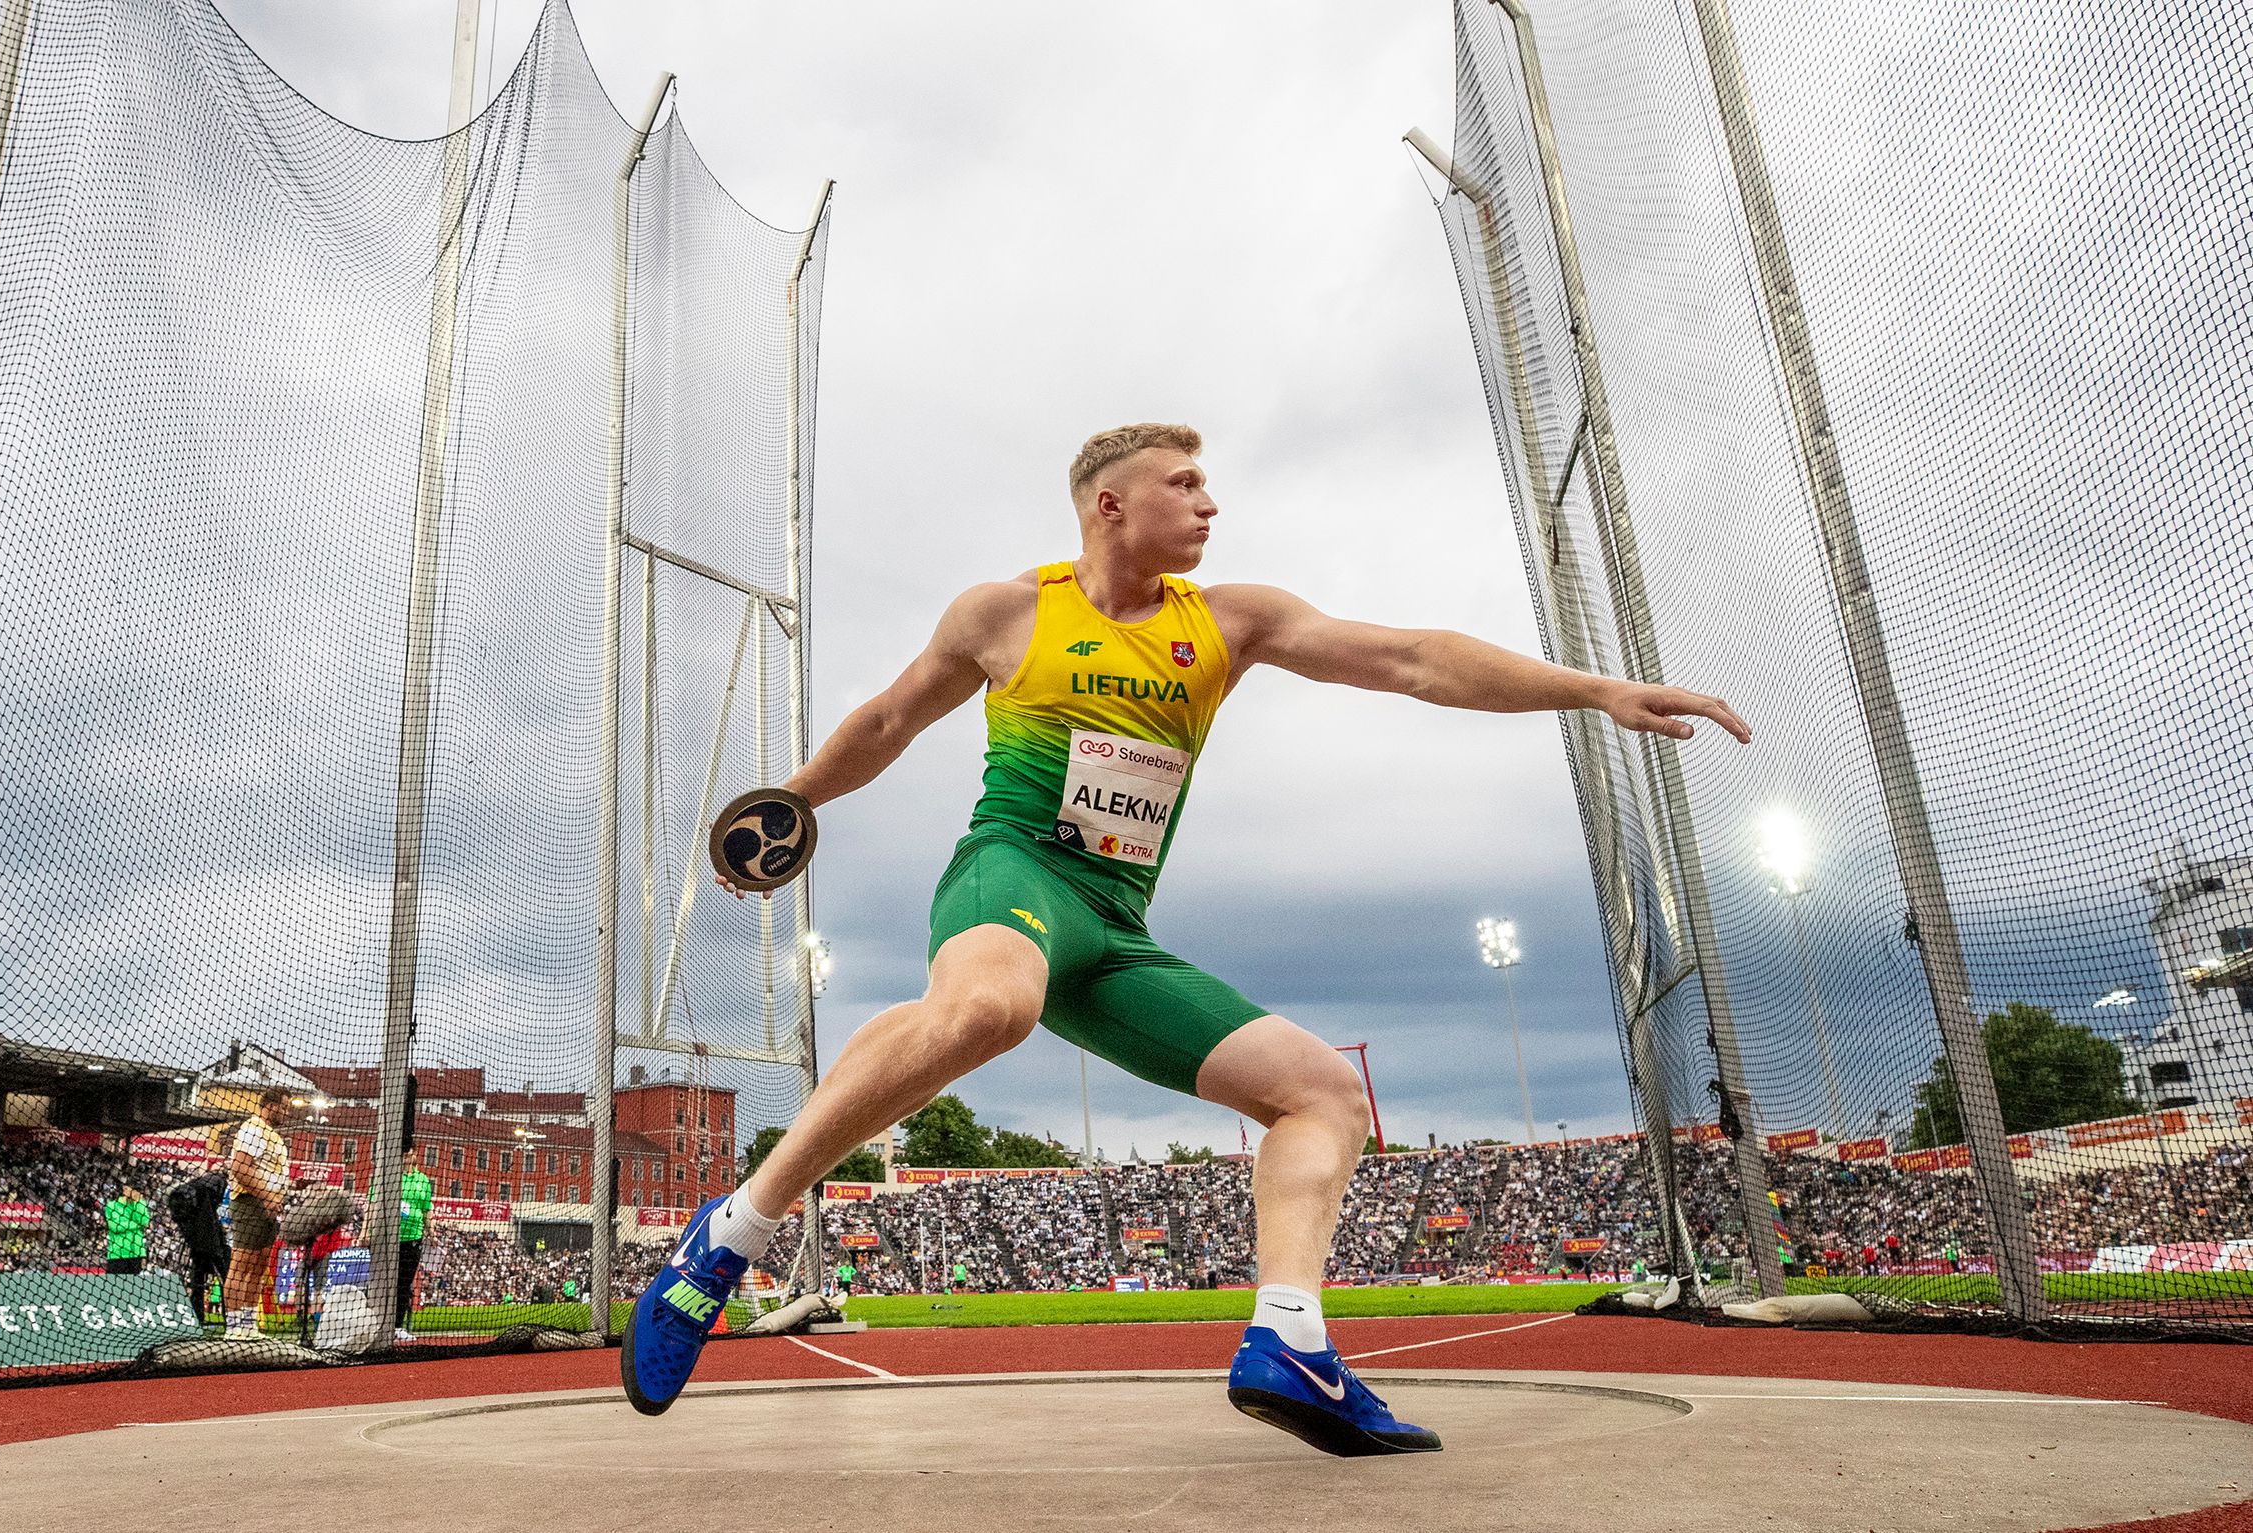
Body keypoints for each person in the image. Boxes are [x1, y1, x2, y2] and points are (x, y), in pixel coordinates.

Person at [621, 424, 1749, 1455]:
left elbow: (1413, 657)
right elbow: (886, 721)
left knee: (1321, 1097)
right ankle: (731, 1236)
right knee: (987, 1008)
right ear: (1108, 505)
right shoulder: (1006, 613)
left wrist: (1595, 689)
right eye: (1184, 484)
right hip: (1012, 876)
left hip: (1112, 930)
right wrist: (788, 805)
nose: (1209, 505)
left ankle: (1292, 1341)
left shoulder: (1227, 621)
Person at [222, 1088, 293, 1340]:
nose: (286, 1112)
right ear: (270, 1105)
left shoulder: (273, 1136)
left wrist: (290, 1188)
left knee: (259, 1267)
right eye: (283, 1107)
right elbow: (241, 1168)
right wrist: (267, 1196)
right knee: (241, 1266)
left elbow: (269, 1174)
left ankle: (249, 1325)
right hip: (251, 1202)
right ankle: (233, 1328)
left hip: (270, 1206)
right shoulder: (253, 1129)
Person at [165, 1167, 231, 1323]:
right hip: (208, 1236)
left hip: (198, 1236)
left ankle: (199, 1315)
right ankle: (227, 1314)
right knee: (222, 1273)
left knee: (199, 1278)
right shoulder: (215, 1186)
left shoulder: (193, 1190)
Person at [396, 1146, 432, 1342]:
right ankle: (380, 1323)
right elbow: (372, 1203)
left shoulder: (423, 1180)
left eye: (411, 1153)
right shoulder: (391, 1175)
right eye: (405, 1153)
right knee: (387, 1283)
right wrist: (365, 1231)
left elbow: (427, 1208)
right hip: (390, 1237)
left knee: (404, 1284)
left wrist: (431, 1231)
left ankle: (397, 1326)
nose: (408, 1156)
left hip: (414, 1237)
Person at [103, 1183, 150, 1276]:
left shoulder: (140, 1203)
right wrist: (137, 1225)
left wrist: (137, 1203)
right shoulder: (112, 1205)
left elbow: (145, 1222)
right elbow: (115, 1227)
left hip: (136, 1252)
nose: (136, 1194)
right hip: (117, 1253)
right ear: (125, 1190)